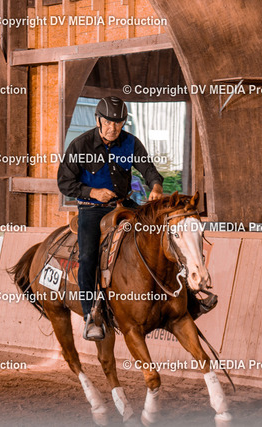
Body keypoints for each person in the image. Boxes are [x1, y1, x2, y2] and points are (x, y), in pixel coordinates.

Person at [57, 96, 164, 340]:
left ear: (123, 122)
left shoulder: (131, 143)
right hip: (92, 209)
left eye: (118, 123)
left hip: (124, 204)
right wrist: (92, 192)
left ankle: (186, 299)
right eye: (107, 122)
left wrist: (156, 186)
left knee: (158, 237)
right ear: (98, 120)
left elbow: (148, 169)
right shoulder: (80, 145)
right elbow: (64, 182)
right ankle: (90, 317)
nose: (112, 128)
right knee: (87, 257)